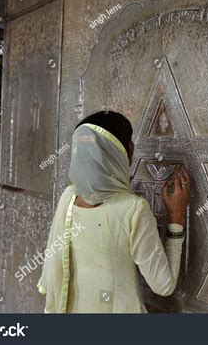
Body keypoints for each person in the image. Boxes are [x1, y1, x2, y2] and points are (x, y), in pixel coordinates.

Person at [38, 111, 190, 313]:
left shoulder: (68, 197)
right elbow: (164, 285)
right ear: (129, 150)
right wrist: (177, 219)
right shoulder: (133, 209)